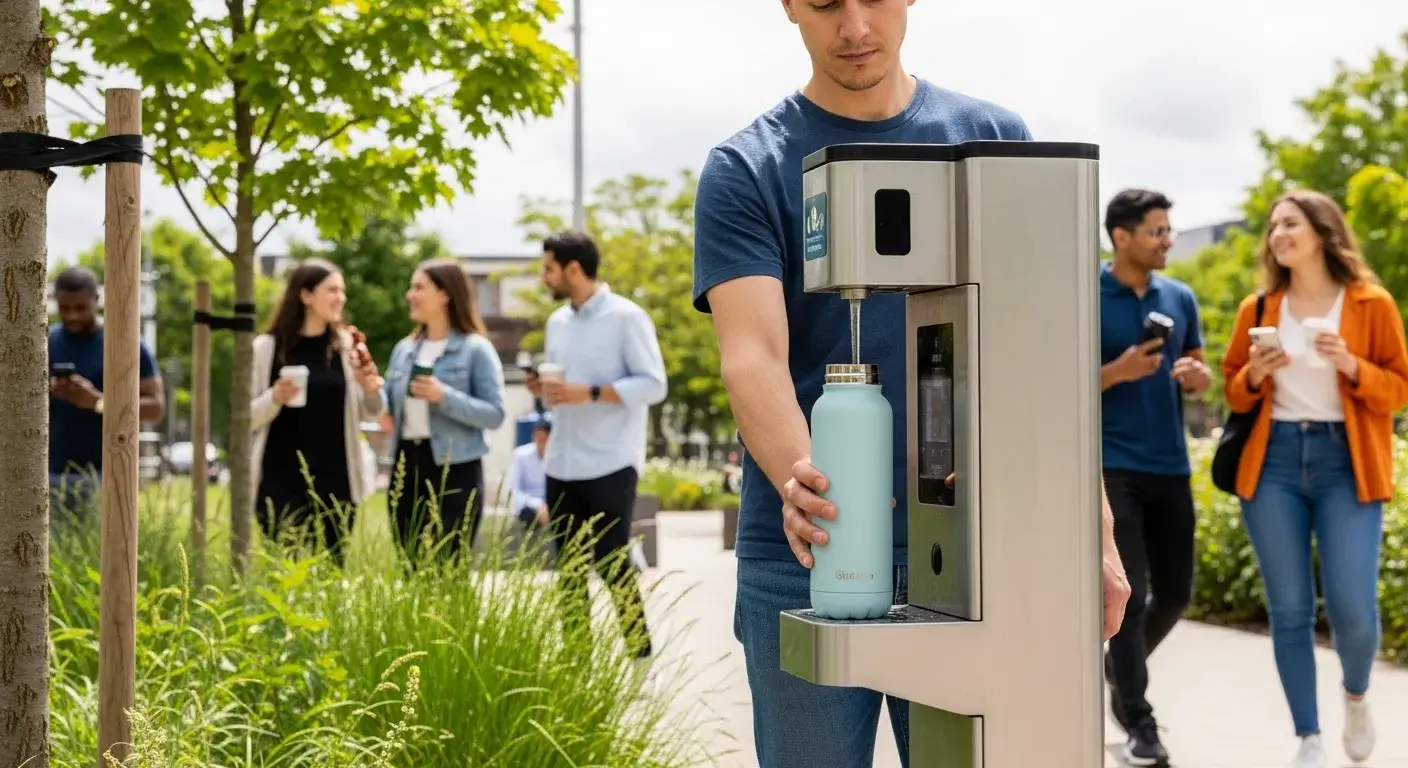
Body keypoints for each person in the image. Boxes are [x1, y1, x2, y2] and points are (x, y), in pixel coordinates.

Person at [690, 2, 1130, 765]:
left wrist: (1091, 531)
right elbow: (753, 353)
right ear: (790, 6)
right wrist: (817, 497)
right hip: (804, 559)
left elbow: (1046, 356)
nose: (855, 27)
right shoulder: (748, 167)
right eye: (826, 3)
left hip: (985, 552)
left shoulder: (994, 142)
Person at [1222, 190, 1408, 768]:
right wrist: (1254, 373)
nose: (1278, 234)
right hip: (1273, 461)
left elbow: (1399, 388)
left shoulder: (1371, 303)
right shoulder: (1258, 307)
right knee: (1291, 610)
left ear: (1323, 232)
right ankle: (1309, 737)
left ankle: (1356, 694)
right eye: (1274, 226)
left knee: (1353, 608)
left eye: (1291, 223)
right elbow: (1232, 389)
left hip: (1345, 463)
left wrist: (1354, 365)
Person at [1097, 189, 1211, 765]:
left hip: (1170, 462)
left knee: (1176, 594)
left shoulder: (1180, 296)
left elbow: (1199, 371)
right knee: (1134, 595)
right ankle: (1140, 722)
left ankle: (1119, 668)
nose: (1168, 240)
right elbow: (1056, 378)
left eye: (1170, 231)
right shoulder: (1084, 291)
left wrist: (1194, 376)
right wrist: (1115, 373)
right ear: (1121, 235)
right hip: (1110, 464)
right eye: (1157, 232)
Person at [524, 230, 667, 660]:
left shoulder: (627, 317)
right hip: (562, 460)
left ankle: (641, 661)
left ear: (573, 269)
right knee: (567, 571)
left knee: (611, 562)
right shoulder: (557, 322)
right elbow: (562, 385)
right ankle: (577, 668)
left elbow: (654, 384)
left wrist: (589, 392)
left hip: (611, 460)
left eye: (548, 268)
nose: (543, 278)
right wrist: (543, 389)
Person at [250, 259, 385, 565]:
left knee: (332, 572)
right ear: (305, 295)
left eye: (342, 291)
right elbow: (244, 416)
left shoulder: (347, 346)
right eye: (332, 290)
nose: (341, 298)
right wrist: (275, 397)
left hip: (337, 481)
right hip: (279, 480)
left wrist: (371, 388)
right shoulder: (267, 348)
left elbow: (374, 412)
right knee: (283, 573)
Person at [385, 258, 506, 565]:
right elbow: (386, 410)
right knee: (411, 566)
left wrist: (444, 396)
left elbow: (494, 414)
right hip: (406, 465)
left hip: (456, 469)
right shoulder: (403, 350)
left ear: (445, 295)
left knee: (449, 568)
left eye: (418, 287)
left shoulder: (475, 350)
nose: (409, 295)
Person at [48, 265, 165, 523]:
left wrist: (98, 402)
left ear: (97, 300)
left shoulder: (125, 343)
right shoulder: (45, 342)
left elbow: (156, 408)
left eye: (81, 308)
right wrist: (47, 392)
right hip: (52, 473)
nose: (72, 316)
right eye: (65, 308)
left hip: (107, 472)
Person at [506, 415, 552, 534]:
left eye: (545, 439)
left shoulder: (559, 456)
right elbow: (513, 489)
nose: (541, 444)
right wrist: (538, 505)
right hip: (529, 506)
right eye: (539, 439)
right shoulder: (520, 455)